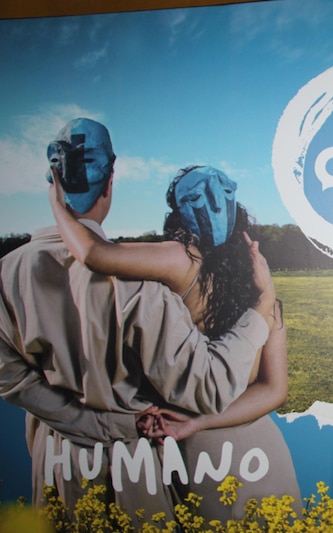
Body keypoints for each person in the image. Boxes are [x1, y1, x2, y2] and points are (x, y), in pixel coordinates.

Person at [0, 118, 276, 519]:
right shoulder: (141, 285)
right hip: (131, 465)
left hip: (55, 462)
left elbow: (10, 378)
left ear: (52, 177)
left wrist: (76, 421)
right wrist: (262, 308)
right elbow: (209, 387)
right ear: (110, 182)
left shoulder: (6, 274)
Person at [48, 163, 303, 519]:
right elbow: (274, 390)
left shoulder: (182, 259)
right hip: (261, 448)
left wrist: (58, 205)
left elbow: (93, 254)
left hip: (205, 457)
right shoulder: (262, 286)